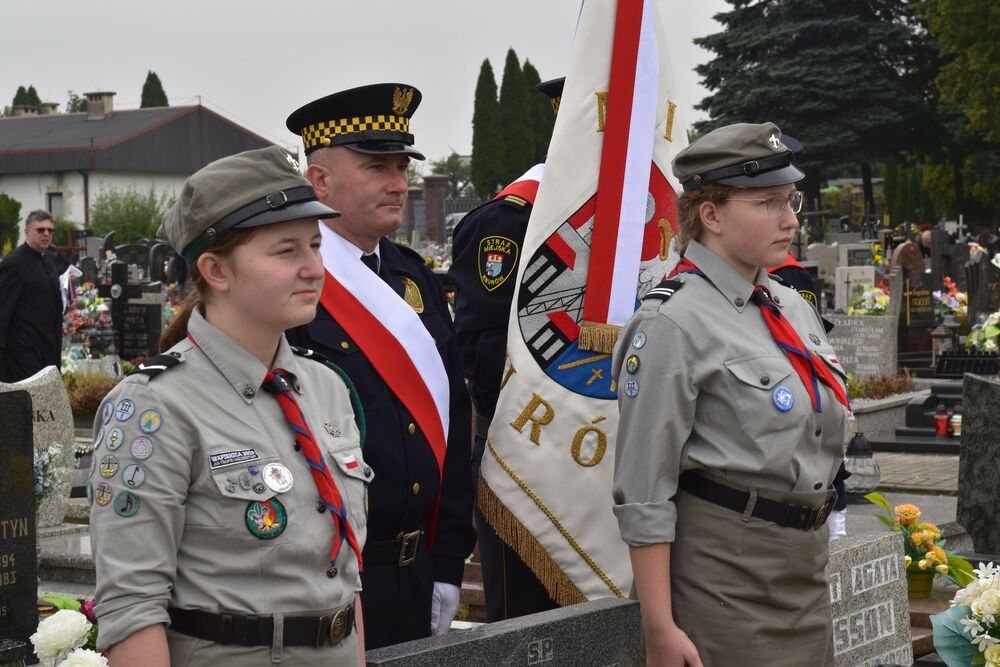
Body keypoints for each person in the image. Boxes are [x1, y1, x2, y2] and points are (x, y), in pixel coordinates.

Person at [89, 146, 369, 666]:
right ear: (216, 271)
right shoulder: (155, 407)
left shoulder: (325, 388)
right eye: (287, 251)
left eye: (315, 245)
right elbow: (132, 611)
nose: (314, 268)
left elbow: (344, 579)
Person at [612, 122, 850, 667]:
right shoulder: (671, 322)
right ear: (712, 215)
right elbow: (645, 489)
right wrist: (659, 629)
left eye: (789, 200)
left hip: (804, 576)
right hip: (722, 582)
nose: (790, 219)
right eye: (767, 203)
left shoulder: (792, 307)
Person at [285, 84, 475, 648]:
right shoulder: (296, 283)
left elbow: (452, 414)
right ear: (320, 180)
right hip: (328, 572)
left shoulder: (413, 276)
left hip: (417, 569)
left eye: (401, 166)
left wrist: (447, 559)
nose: (399, 183)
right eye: (377, 167)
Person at [448, 78, 563, 621]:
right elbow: (485, 349)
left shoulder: (644, 218)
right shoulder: (509, 222)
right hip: (533, 458)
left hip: (625, 464)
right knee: (532, 627)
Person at [0, 210, 62, 383]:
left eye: (50, 230)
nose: (46, 234)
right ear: (27, 231)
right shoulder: (14, 263)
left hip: (49, 344)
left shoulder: (49, 259)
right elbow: (3, 309)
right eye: (40, 230)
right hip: (23, 350)